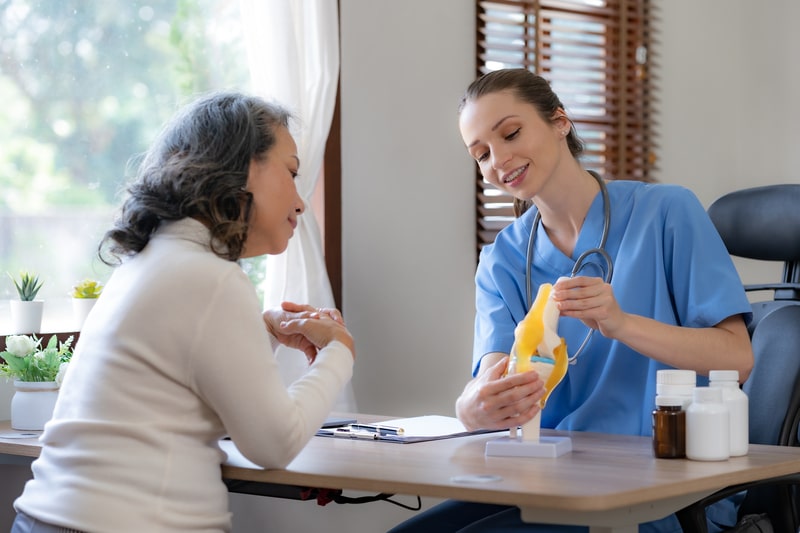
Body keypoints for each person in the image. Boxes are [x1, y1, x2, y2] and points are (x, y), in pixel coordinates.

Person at [389, 69, 753, 532]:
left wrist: (621, 323)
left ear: (560, 121)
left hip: (663, 487)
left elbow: (738, 358)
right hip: (550, 477)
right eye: (481, 155)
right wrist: (473, 408)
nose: (499, 160)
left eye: (511, 133)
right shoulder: (502, 259)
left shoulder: (666, 213)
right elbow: (494, 378)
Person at [11, 92, 356, 532]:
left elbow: (179, 378)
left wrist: (261, 330)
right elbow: (275, 442)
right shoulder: (210, 277)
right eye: (291, 172)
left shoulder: (150, 261)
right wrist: (339, 353)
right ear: (244, 167)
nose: (301, 201)